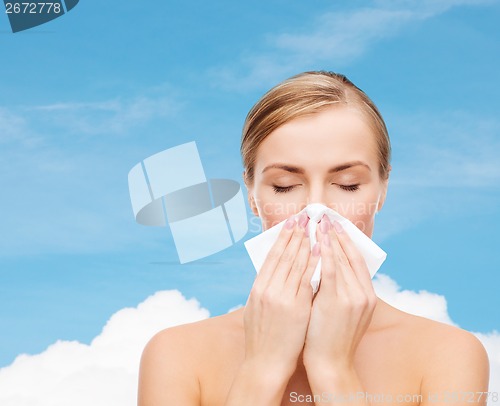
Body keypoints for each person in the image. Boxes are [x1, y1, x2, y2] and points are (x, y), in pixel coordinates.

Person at [137, 71, 490, 405]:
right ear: (252, 195)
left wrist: (332, 369)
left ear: (382, 189)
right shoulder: (176, 356)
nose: (316, 210)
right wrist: (262, 369)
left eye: (348, 184)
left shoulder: (448, 356)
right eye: (284, 186)